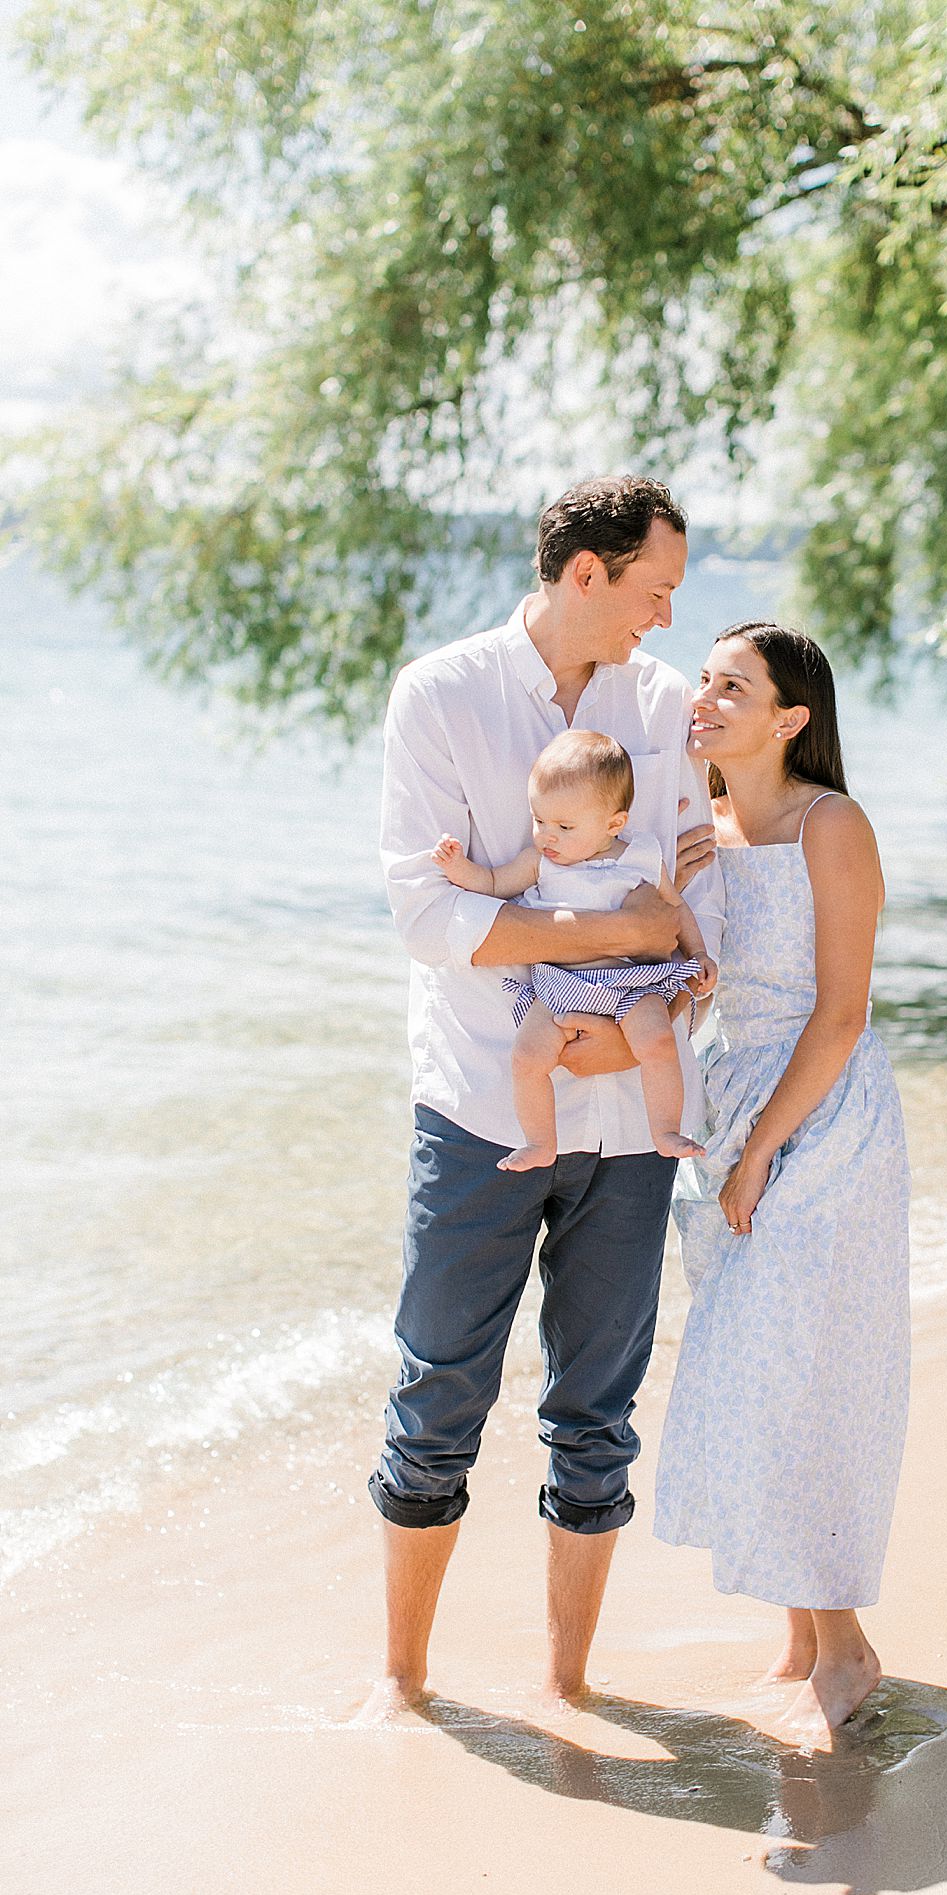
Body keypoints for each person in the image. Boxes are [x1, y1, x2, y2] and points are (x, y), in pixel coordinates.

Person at [358, 475, 724, 1723]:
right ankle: (401, 1681)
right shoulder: (442, 694)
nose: (667, 617)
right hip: (481, 1106)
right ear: (587, 573)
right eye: (654, 588)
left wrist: (636, 1024)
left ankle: (566, 1680)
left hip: (631, 1123)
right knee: (437, 1388)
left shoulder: (664, 707)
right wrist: (602, 922)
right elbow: (426, 912)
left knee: (598, 1405)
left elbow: (686, 904)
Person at [654, 620, 910, 1750]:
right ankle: (803, 1639)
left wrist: (759, 1147)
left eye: (729, 686)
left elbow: (841, 1010)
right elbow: (690, 989)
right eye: (701, 681)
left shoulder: (831, 824)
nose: (701, 699)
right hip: (728, 1106)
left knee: (794, 1371)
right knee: (752, 1371)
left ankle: (843, 1643)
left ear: (788, 718)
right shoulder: (699, 832)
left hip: (823, 1118)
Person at [430, 730, 717, 1171]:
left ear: (613, 824)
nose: (548, 836)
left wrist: (698, 956)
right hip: (559, 985)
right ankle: (539, 1143)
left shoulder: (640, 856)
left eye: (565, 827)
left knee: (658, 1041)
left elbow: (675, 910)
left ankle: (664, 1130)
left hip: (628, 981)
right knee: (528, 1058)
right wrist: (458, 867)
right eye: (539, 820)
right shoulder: (538, 861)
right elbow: (492, 885)